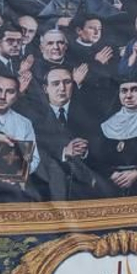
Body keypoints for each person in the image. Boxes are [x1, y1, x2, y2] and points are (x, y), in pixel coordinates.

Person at [27, 67, 102, 200]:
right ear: (45, 89)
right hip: (48, 192)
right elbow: (31, 154)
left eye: (67, 82)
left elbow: (102, 148)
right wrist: (64, 152)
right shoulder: (32, 118)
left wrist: (85, 151)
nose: (62, 88)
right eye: (55, 83)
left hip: (85, 190)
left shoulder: (90, 113)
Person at [0, 74, 42, 201]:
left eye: (10, 92)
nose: (2, 97)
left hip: (10, 190)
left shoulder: (24, 123)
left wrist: (16, 175)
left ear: (16, 96)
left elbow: (34, 158)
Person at [93, 79, 137, 196]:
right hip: (111, 186)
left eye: (135, 90)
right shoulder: (107, 125)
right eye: (124, 91)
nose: (128, 95)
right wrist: (111, 174)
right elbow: (98, 159)